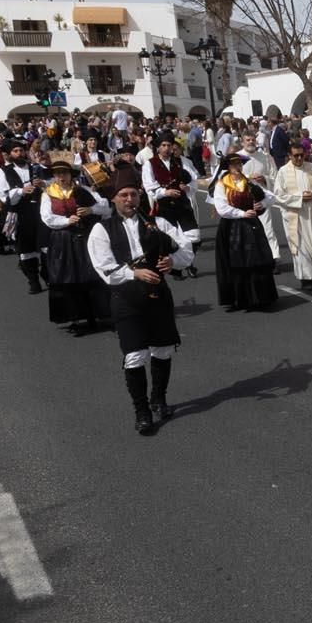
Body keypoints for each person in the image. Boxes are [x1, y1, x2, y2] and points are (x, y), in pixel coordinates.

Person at [89, 176, 195, 434]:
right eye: (123, 195)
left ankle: (159, 398)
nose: (129, 200)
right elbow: (103, 268)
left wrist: (173, 261)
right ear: (113, 199)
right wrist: (133, 274)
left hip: (158, 294)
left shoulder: (157, 223)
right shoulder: (102, 229)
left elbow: (186, 250)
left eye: (133, 195)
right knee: (135, 355)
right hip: (127, 299)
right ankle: (142, 410)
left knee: (163, 350)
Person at [38, 158, 111, 333]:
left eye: (64, 173)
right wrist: (66, 220)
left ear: (71, 175)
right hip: (62, 239)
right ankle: (74, 318)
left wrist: (90, 210)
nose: (61, 177)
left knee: (90, 274)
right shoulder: (48, 194)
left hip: (84, 237)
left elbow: (106, 208)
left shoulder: (82, 190)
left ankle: (95, 315)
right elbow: (47, 217)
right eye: (57, 174)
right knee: (66, 277)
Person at [211, 152, 278, 311]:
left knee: (256, 259)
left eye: (239, 164)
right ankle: (238, 300)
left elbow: (270, 196)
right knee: (235, 262)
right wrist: (241, 213)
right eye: (234, 164)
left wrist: (262, 205)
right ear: (228, 166)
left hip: (250, 224)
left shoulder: (247, 181)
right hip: (231, 226)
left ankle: (261, 298)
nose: (237, 167)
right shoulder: (222, 184)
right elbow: (222, 208)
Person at [0, 139, 49, 295]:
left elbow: (51, 184)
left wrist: (42, 184)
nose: (19, 153)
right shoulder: (4, 171)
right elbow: (3, 196)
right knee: (26, 249)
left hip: (38, 212)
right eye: (15, 151)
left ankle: (47, 275)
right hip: (19, 214)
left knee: (44, 245)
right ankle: (33, 281)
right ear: (10, 154)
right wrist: (21, 191)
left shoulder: (35, 167)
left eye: (21, 151)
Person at [272, 143, 312, 287]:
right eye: (295, 155)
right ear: (289, 156)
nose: (299, 158)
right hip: (295, 215)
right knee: (301, 246)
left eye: (301, 155)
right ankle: (306, 279)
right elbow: (278, 194)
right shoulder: (283, 172)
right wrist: (299, 197)